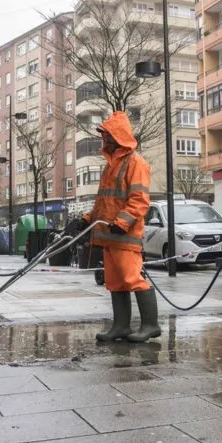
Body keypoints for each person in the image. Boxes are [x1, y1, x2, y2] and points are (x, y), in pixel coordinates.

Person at [77, 111, 158, 343]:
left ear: (118, 136)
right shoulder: (111, 165)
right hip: (108, 236)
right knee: (114, 282)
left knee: (133, 279)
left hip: (125, 236)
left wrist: (122, 223)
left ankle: (150, 325)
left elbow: (139, 199)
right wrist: (86, 219)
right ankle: (121, 326)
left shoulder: (136, 163)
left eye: (107, 135)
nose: (104, 140)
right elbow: (104, 201)